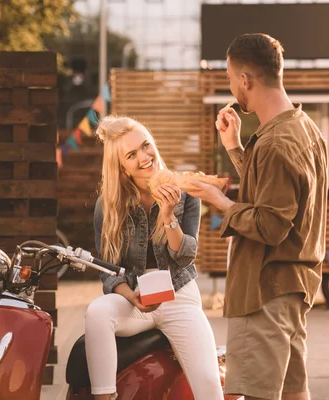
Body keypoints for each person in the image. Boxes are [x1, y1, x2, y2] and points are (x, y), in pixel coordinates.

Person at [186, 33, 328, 400]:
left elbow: (270, 224)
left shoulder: (276, 142)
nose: (232, 86)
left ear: (245, 80)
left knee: (249, 395)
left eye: (231, 78)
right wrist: (234, 146)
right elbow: (275, 189)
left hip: (264, 290)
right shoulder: (303, 128)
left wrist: (219, 201)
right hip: (293, 288)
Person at [85, 115, 223, 400]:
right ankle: (104, 396)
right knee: (97, 312)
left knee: (210, 383)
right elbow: (107, 268)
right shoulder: (108, 204)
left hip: (179, 295)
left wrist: (168, 213)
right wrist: (129, 295)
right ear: (122, 168)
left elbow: (185, 258)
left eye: (146, 146)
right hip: (134, 298)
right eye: (132, 155)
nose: (144, 157)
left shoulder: (184, 192)